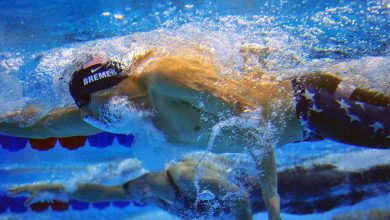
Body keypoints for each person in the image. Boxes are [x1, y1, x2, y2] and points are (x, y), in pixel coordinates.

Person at [1, 51, 389, 219]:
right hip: (303, 133)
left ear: (112, 86)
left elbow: (254, 123)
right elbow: (42, 125)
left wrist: (272, 204)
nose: (90, 118)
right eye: (86, 111)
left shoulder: (165, 79)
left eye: (92, 106)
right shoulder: (116, 114)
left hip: (311, 104)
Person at [8, 158, 390, 219]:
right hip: (283, 207)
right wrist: (56, 188)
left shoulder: (184, 173)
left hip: (293, 184)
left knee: (364, 180)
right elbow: (97, 192)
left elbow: (239, 198)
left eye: (132, 189)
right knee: (362, 195)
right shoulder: (150, 190)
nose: (131, 196)